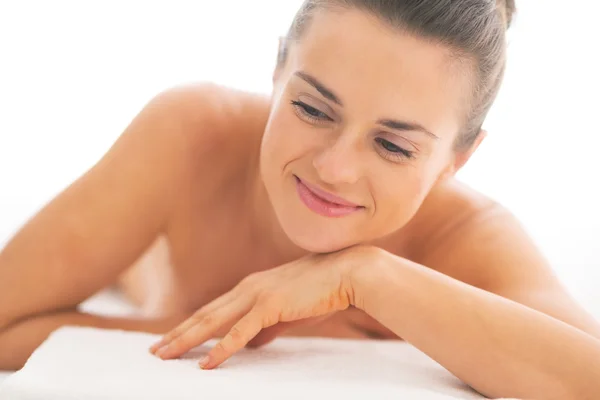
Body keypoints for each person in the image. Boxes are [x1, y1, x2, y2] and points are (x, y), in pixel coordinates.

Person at [1, 0, 599, 398]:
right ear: (276, 72)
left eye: (392, 146)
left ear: (456, 160)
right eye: (311, 109)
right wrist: (204, 333)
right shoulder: (192, 135)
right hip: (148, 255)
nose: (334, 168)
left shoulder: (467, 237)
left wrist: (364, 276)